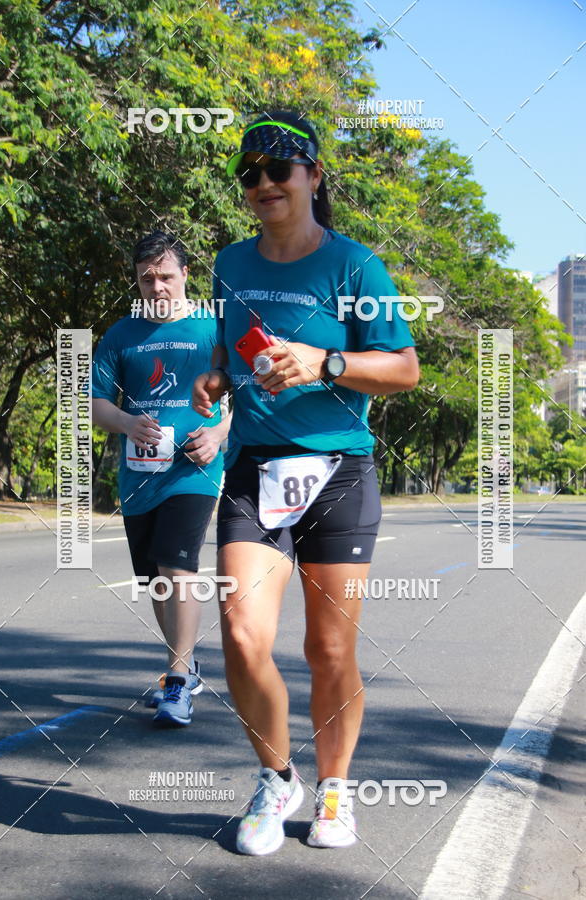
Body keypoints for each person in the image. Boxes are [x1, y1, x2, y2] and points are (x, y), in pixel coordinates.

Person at [193, 111, 420, 854]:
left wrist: (324, 362)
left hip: (337, 471)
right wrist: (216, 379)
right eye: (249, 173)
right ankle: (276, 776)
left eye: (278, 168)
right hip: (255, 468)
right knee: (240, 632)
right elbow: (231, 354)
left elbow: (403, 370)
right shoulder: (231, 263)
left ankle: (334, 792)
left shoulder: (355, 267)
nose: (263, 183)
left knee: (329, 651)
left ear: (313, 176)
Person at [92, 230, 230, 727]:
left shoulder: (212, 328)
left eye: (166, 276)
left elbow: (241, 393)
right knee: (154, 577)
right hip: (139, 476)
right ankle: (187, 662)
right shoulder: (120, 335)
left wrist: (218, 433)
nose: (157, 287)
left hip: (195, 469)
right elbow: (97, 404)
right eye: (147, 278)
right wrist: (128, 422)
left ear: (185, 275)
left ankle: (175, 682)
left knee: (178, 566)